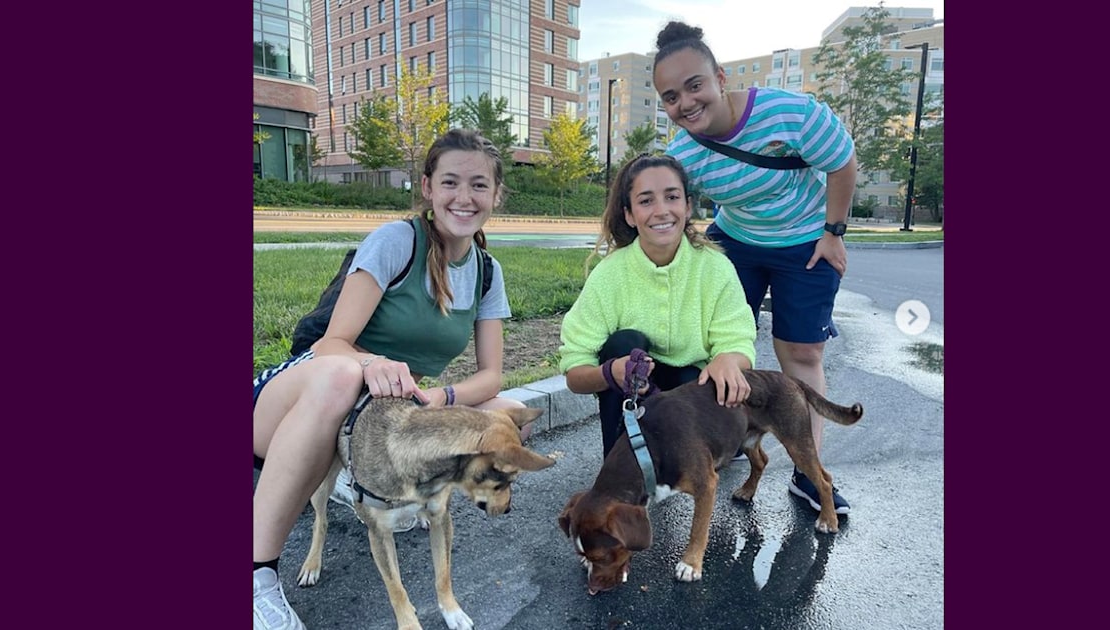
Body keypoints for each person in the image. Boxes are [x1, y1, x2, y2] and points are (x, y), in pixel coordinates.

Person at [252, 128, 527, 630]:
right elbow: (329, 345)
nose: (463, 197)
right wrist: (369, 362)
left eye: (478, 186)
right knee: (339, 374)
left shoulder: (487, 271)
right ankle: (257, 578)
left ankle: (394, 481)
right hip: (301, 394)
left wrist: (437, 398)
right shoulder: (397, 241)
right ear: (426, 186)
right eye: (450, 182)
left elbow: (490, 377)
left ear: (496, 195)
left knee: (503, 415)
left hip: (387, 410)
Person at [652, 21, 859, 515]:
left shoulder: (790, 114)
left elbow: (843, 163)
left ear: (720, 77)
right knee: (717, 342)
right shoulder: (683, 153)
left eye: (694, 85)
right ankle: (727, 443)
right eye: (670, 96)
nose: (685, 103)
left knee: (801, 351)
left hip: (806, 238)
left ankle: (808, 475)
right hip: (737, 242)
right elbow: (670, 207)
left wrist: (834, 232)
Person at [558, 153, 757, 457]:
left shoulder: (716, 268)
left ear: (688, 206)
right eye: (646, 201)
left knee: (696, 378)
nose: (662, 211)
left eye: (672, 197)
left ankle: (698, 459)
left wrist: (730, 358)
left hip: (692, 388)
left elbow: (738, 339)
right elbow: (575, 371)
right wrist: (612, 373)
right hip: (634, 389)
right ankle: (619, 469)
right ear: (629, 214)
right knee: (624, 343)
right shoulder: (610, 274)